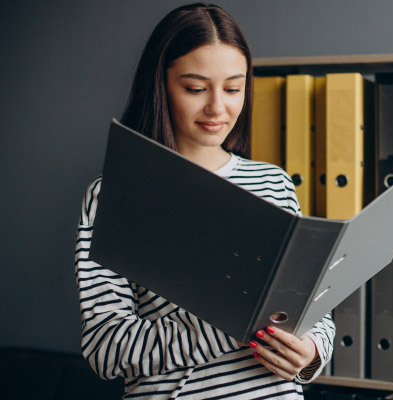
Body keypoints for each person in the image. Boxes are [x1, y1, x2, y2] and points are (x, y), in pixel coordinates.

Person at [75, 3, 335, 399]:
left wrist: (311, 353)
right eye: (195, 88)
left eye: (233, 88)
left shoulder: (273, 183)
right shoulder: (115, 194)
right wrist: (235, 325)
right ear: (160, 86)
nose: (218, 107)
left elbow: (314, 312)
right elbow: (106, 350)